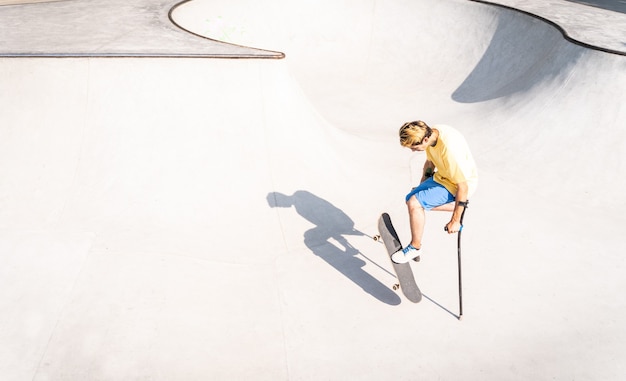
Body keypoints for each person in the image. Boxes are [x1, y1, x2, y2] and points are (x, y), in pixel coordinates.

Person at [391, 120, 478, 264]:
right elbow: (430, 164)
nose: (413, 150)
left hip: (459, 185)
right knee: (411, 198)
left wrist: (455, 221)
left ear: (425, 139)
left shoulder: (449, 151)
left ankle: (415, 247)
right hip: (443, 177)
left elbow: (463, 187)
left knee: (415, 203)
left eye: (414, 147)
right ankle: (456, 207)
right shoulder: (433, 133)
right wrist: (422, 186)